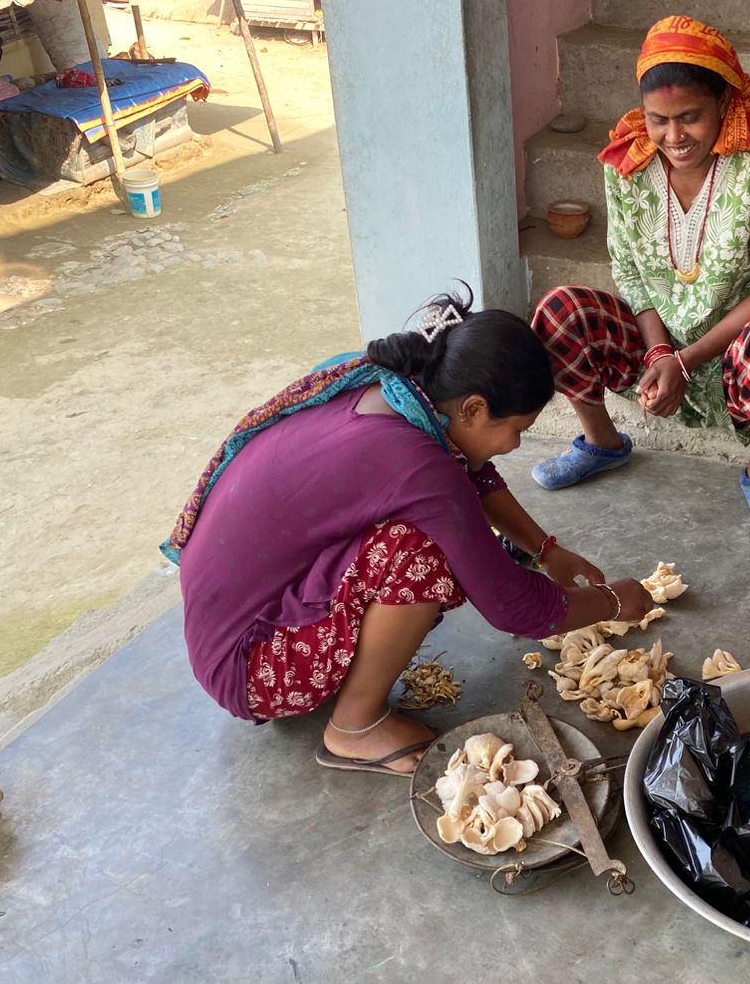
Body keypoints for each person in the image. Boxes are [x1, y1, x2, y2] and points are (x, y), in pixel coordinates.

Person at [163, 290, 655, 776]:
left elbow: (469, 474)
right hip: (250, 669)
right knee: (422, 553)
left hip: (233, 623)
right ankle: (354, 728)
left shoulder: (387, 386)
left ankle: (338, 675)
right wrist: (613, 601)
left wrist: (546, 549)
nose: (515, 444)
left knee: (432, 523)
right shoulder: (413, 460)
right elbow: (514, 606)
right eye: (517, 429)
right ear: (473, 409)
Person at [529, 14, 750, 536]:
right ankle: (602, 442)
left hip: (735, 351)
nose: (674, 137)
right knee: (560, 312)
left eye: (690, 117)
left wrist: (686, 361)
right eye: (658, 120)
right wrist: (659, 354)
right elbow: (630, 273)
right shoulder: (627, 162)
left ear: (724, 102)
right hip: (655, 344)